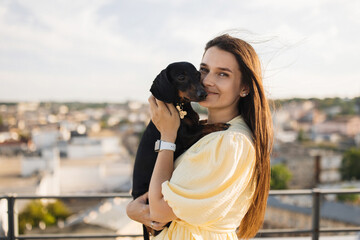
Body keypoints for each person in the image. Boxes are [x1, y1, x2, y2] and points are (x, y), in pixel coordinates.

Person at [126, 34, 273, 239]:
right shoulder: (208, 134)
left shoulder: (230, 142)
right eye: (204, 70)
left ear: (245, 87)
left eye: (223, 74)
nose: (208, 81)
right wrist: (133, 209)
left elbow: (159, 211)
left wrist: (168, 136)